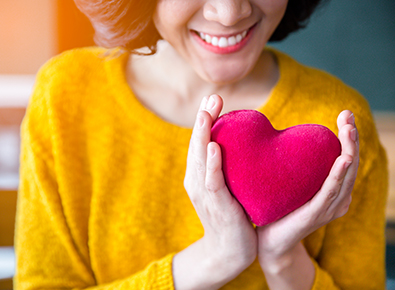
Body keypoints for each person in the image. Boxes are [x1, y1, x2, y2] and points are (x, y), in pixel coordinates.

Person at [14, 0, 388, 289]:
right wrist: (215, 259)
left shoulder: (340, 123)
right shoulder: (66, 96)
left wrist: (283, 259)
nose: (228, 13)